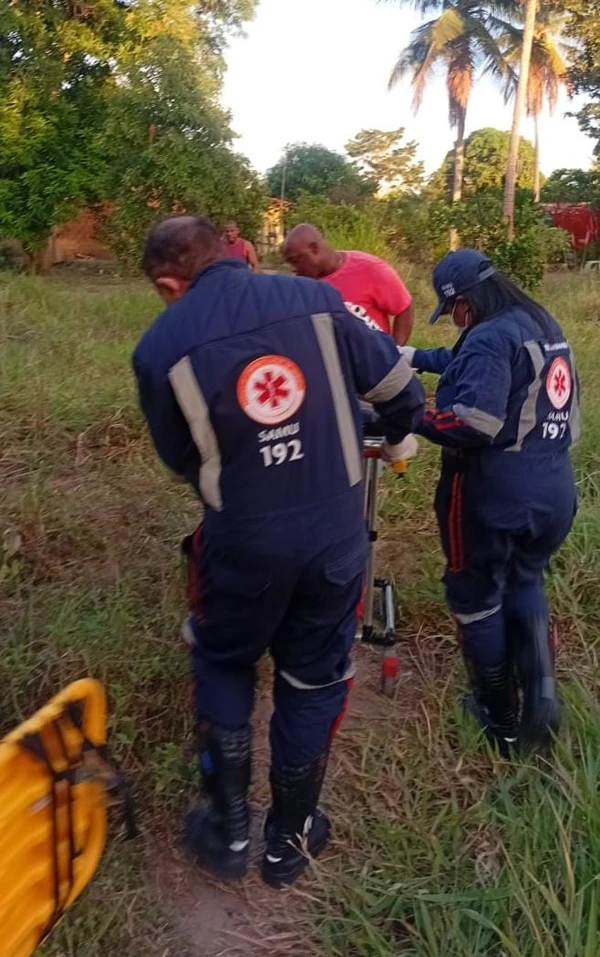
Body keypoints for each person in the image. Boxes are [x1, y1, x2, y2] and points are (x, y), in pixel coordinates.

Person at [133, 215, 425, 887]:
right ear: (235, 254)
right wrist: (388, 431)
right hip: (335, 537)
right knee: (316, 677)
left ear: (170, 283)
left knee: (224, 657)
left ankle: (228, 830)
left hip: (241, 542)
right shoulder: (320, 302)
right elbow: (398, 393)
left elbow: (183, 459)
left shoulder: (160, 349)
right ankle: (289, 840)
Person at [401, 249, 579, 756]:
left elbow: (474, 422)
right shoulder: (538, 321)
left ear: (464, 302)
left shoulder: (487, 335)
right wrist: (408, 355)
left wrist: (408, 417)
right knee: (526, 580)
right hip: (554, 488)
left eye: (452, 310)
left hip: (495, 489)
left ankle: (498, 717)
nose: (455, 319)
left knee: (475, 598)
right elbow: (462, 359)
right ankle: (542, 699)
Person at [283, 223, 414, 346]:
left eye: (296, 261)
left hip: (371, 362)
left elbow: (404, 307)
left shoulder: (370, 269)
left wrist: (394, 351)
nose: (294, 269)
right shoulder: (304, 283)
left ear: (314, 249)